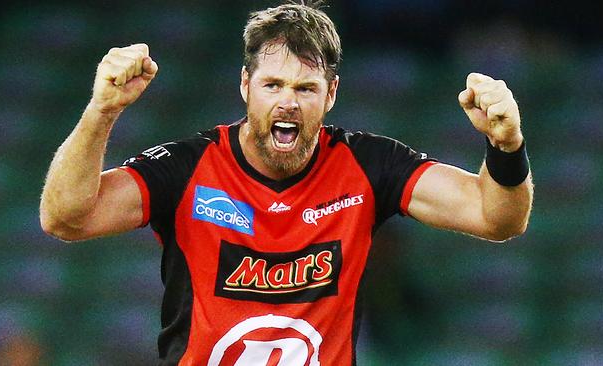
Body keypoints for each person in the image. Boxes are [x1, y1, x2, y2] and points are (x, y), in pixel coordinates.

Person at [40, 2, 533, 365]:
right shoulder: (187, 168)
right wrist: (101, 111)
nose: (288, 103)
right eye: (273, 85)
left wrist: (506, 148)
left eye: (306, 88)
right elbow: (64, 218)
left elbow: (496, 218)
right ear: (245, 86)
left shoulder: (369, 165)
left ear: (332, 93)